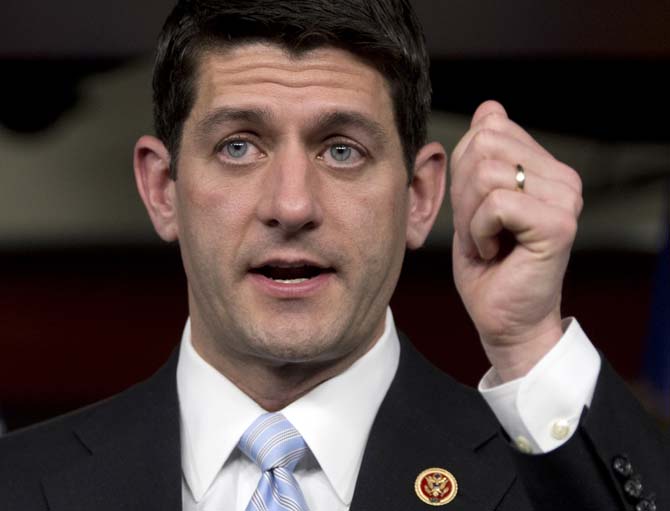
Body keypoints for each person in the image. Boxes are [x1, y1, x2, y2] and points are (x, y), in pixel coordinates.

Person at [1, 1, 667, 510]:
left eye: (341, 149)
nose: (292, 205)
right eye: (239, 145)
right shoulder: (18, 484)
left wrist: (528, 344)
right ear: (162, 188)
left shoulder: (546, 477)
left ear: (420, 195)